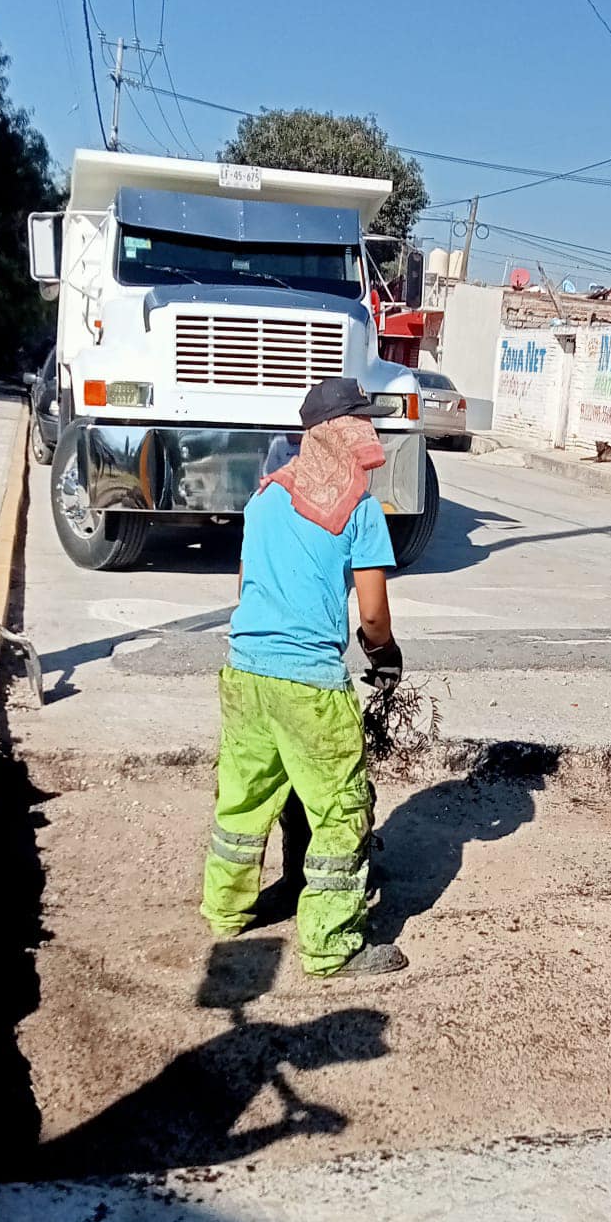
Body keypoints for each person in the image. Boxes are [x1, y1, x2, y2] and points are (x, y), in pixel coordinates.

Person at [201, 377, 409, 978]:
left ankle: (226, 909)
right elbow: (371, 615)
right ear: (344, 435)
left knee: (243, 799)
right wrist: (385, 655)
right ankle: (330, 944)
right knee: (341, 810)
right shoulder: (360, 510)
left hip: (244, 673)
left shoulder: (265, 496)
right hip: (311, 687)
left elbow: (245, 588)